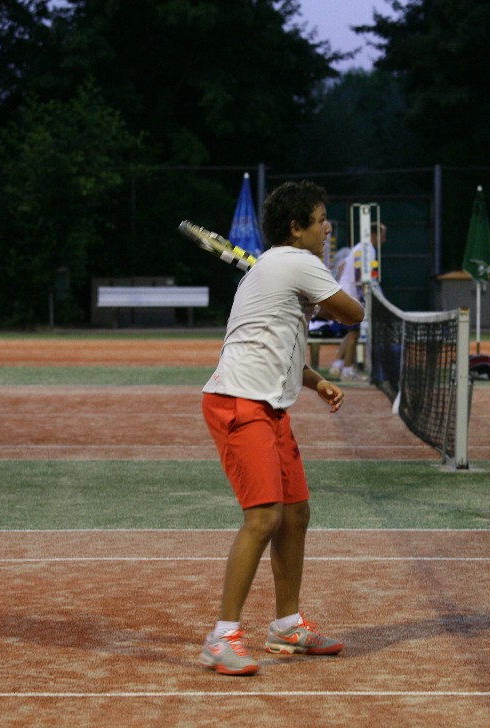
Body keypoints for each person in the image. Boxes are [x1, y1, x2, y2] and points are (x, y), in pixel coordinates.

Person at [199, 180, 364, 676]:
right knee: (264, 517)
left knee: (295, 514)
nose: (328, 227)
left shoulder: (274, 267)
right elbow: (353, 313)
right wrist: (329, 294)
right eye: (321, 219)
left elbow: (270, 341)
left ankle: (287, 626)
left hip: (268, 404)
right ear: (296, 228)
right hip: (239, 401)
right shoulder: (295, 262)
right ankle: (221, 637)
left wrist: (315, 381)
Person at [328, 222, 387, 381]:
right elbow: (360, 274)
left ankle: (337, 365)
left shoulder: (359, 247)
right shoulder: (368, 249)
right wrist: (363, 293)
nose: (384, 239)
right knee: (355, 333)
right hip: (351, 295)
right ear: (374, 235)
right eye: (382, 236)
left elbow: (342, 266)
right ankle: (347, 370)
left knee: (351, 332)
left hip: (346, 292)